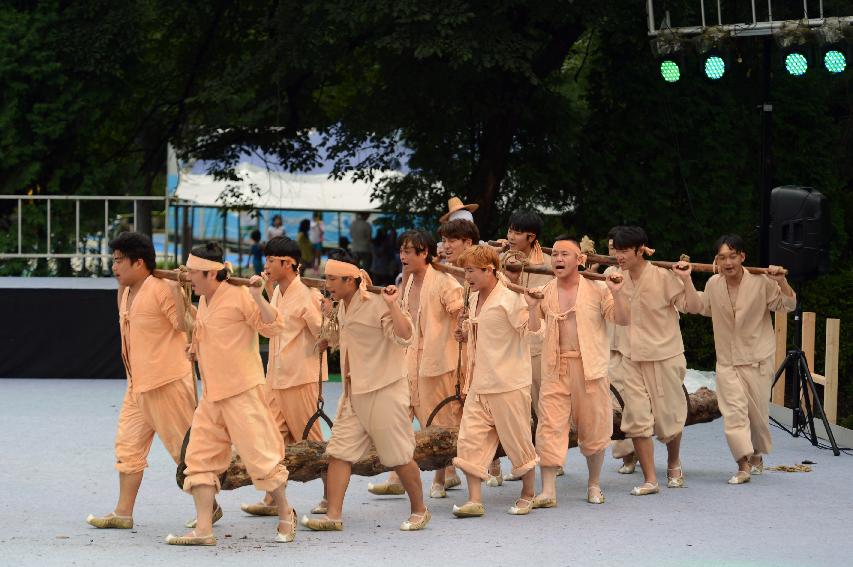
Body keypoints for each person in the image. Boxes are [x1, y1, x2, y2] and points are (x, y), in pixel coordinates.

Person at [166, 242, 295, 546]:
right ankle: (203, 530)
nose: (189, 277)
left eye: (193, 272)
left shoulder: (239, 295)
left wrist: (258, 295)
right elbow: (201, 331)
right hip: (212, 395)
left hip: (242, 392)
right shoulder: (206, 299)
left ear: (211, 273)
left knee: (261, 458)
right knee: (197, 461)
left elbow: (274, 327)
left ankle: (286, 514)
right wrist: (195, 347)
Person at [302, 250, 429, 532]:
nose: (327, 284)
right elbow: (339, 340)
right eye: (326, 278)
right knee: (339, 452)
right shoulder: (343, 305)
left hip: (385, 389)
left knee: (398, 456)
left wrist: (394, 305)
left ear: (351, 280)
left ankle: (419, 509)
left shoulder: (377, 302)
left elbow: (405, 335)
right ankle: (333, 515)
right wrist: (328, 319)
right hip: (354, 391)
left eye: (333, 279)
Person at [87, 232, 196, 531]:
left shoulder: (162, 288)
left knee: (185, 450)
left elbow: (187, 326)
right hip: (137, 384)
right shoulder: (125, 292)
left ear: (139, 262)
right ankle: (123, 513)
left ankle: (208, 506)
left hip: (167, 382)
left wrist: (179, 290)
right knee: (127, 447)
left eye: (120, 261)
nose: (114, 267)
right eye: (114, 260)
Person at [528, 237, 628, 508]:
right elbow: (535, 330)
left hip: (589, 369)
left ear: (579, 260)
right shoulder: (547, 289)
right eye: (555, 254)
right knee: (548, 427)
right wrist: (531, 306)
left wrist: (617, 293)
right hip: (555, 368)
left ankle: (594, 484)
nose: (558, 259)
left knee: (594, 427)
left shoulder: (597, 289)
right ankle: (548, 491)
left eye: (565, 254)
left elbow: (622, 319)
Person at [368, 230, 464, 499]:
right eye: (402, 250)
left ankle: (441, 477)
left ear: (425, 254)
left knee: (439, 420)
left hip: (440, 361)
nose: (403, 256)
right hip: (409, 358)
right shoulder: (407, 283)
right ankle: (396, 474)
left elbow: (462, 318)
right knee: (400, 415)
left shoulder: (446, 283)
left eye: (409, 251)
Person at [609, 226, 703, 496]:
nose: (619, 255)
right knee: (636, 416)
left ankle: (673, 462)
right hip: (630, 356)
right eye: (617, 249)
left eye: (625, 250)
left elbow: (694, 308)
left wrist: (686, 279)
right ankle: (651, 478)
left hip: (665, 355)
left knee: (669, 416)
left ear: (641, 250)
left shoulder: (664, 277)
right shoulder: (613, 276)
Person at [240, 236, 330, 516]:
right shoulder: (277, 291)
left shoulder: (308, 295)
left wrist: (330, 317)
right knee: (270, 439)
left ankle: (331, 499)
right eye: (266, 259)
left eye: (270, 260)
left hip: (300, 379)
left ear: (288, 264)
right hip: (276, 378)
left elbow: (325, 337)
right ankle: (271, 498)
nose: (265, 264)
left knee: (312, 441)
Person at [696, 234, 795, 484]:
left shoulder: (762, 282)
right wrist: (683, 280)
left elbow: (788, 305)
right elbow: (701, 307)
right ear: (716, 260)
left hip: (757, 358)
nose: (727, 262)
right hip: (727, 361)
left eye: (732, 256)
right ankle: (742, 464)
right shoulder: (712, 284)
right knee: (734, 413)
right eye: (722, 257)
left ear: (742, 257)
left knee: (757, 415)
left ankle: (757, 454)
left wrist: (781, 281)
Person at [451, 245, 539, 518]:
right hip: (480, 383)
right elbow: (482, 334)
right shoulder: (474, 298)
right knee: (469, 439)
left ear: (490, 270)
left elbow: (533, 332)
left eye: (471, 271)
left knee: (518, 440)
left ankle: (528, 494)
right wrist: (464, 332)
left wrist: (534, 308)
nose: (467, 277)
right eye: (465, 270)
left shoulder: (511, 297)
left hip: (509, 383)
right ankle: (474, 499)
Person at [498, 209, 554, 483]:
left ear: (531, 237)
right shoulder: (499, 257)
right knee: (517, 406)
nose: (510, 236)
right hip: (508, 342)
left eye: (516, 232)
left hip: (538, 342)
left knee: (543, 403)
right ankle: (523, 460)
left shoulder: (548, 262)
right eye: (509, 230)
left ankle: (550, 457)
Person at [604, 229, 639, 473]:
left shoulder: (642, 274)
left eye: (619, 248)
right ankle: (627, 453)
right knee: (613, 399)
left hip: (635, 345)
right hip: (609, 344)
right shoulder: (607, 273)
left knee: (632, 401)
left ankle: (634, 451)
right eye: (611, 248)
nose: (614, 253)